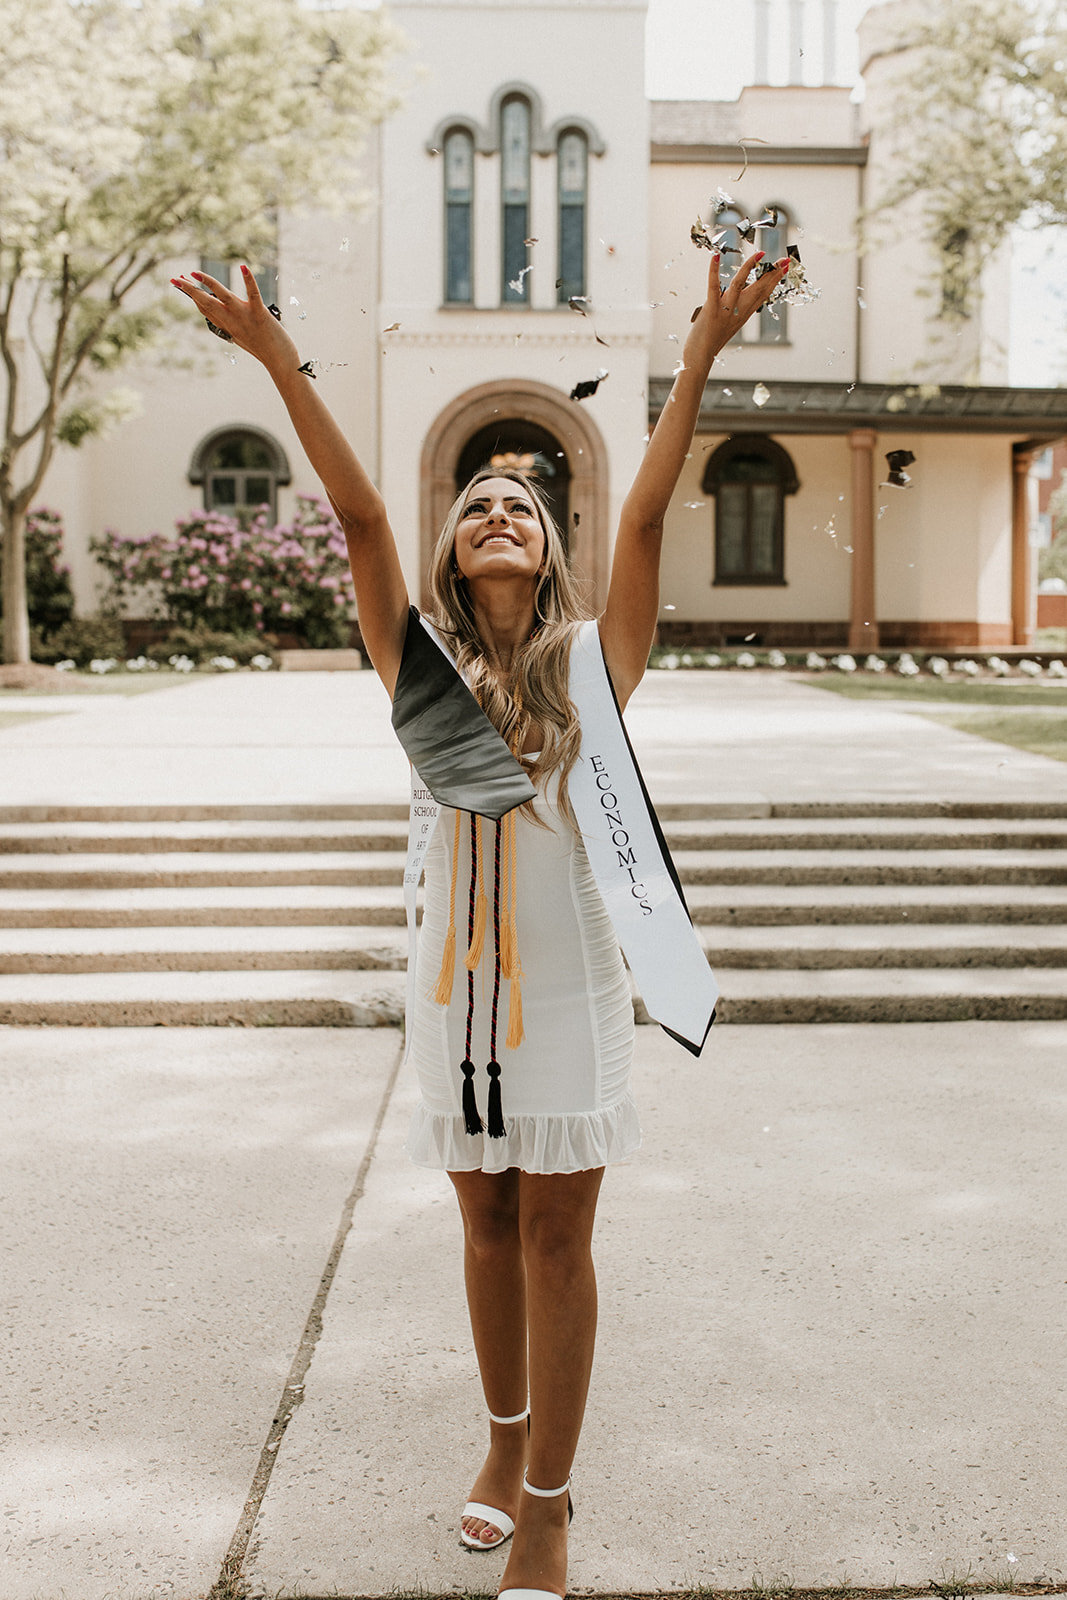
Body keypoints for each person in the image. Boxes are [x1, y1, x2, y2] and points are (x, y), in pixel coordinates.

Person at [171, 245, 789, 1599]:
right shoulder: (421, 668)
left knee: (559, 1236)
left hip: (569, 992)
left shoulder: (592, 666)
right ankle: (504, 1443)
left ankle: (550, 1507)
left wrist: (698, 357)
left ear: (550, 545)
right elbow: (356, 520)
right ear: (454, 547)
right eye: (476, 503)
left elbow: (644, 519)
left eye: (522, 503)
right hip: (454, 997)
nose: (498, 511)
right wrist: (280, 360)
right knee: (486, 1225)